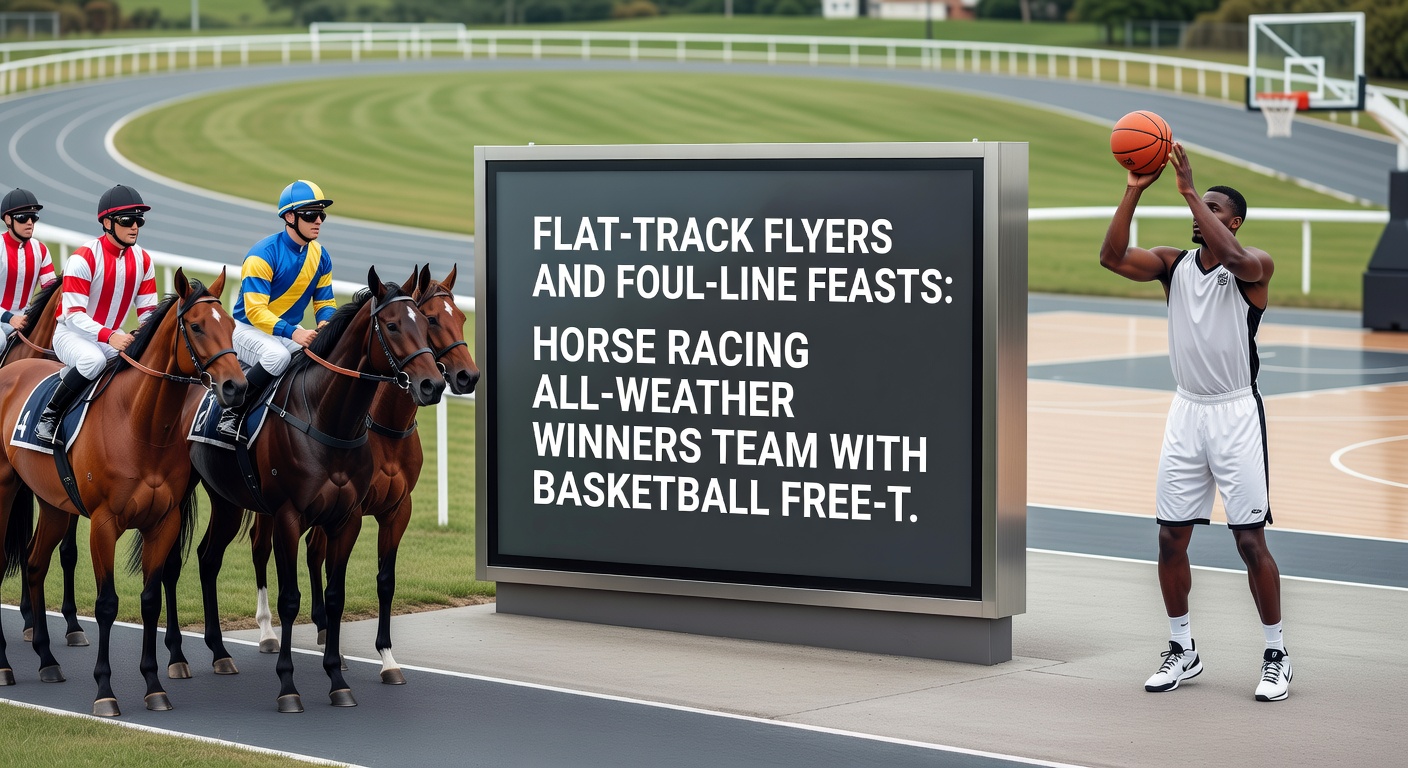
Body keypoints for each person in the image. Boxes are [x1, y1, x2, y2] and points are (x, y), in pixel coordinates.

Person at [1098, 142, 1291, 702]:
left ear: (1231, 221)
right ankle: (1183, 649)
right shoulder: (1172, 264)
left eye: (1210, 207)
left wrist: (1187, 188)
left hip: (1236, 412)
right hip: (1186, 410)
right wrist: (1133, 191)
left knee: (1250, 540)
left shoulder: (1253, 266)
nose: (1196, 213)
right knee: (1169, 539)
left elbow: (1236, 259)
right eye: (1195, 205)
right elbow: (1112, 259)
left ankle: (1276, 653)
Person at [35, 185, 157, 443]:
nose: (135, 227)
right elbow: (73, 315)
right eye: (127, 220)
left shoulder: (144, 261)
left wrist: (140, 334)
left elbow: (148, 313)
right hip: (71, 335)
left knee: (144, 364)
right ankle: (49, 415)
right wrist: (110, 336)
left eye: (139, 220)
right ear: (107, 223)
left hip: (110, 336)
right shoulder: (83, 258)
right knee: (93, 362)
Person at [219, 180, 337, 439]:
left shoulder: (321, 255)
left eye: (322, 215)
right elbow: (255, 312)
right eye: (311, 214)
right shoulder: (262, 254)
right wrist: (294, 333)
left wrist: (326, 325)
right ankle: (232, 412)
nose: (318, 221)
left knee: (324, 357)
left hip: (283, 333)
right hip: (245, 329)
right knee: (278, 357)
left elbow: (325, 303)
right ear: (290, 217)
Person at [0, 188, 57, 348]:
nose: (30, 223)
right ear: (8, 220)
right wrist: (9, 317)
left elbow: (50, 291)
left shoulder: (41, 250)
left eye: (33, 217)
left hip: (24, 318)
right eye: (23, 218)